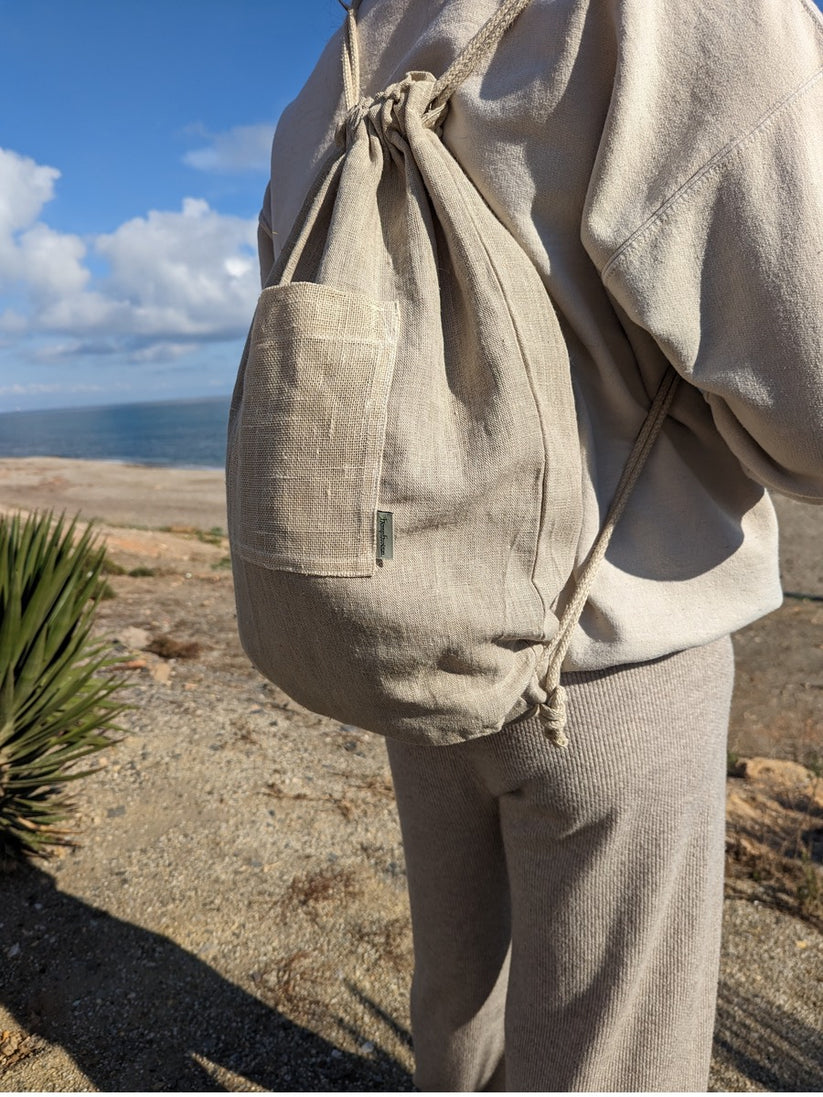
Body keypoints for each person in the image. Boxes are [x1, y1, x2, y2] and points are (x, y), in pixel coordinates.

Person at [251, 0, 823, 1089]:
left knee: (458, 1017)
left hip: (409, 618)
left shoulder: (334, 71)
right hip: (607, 649)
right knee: (610, 1061)